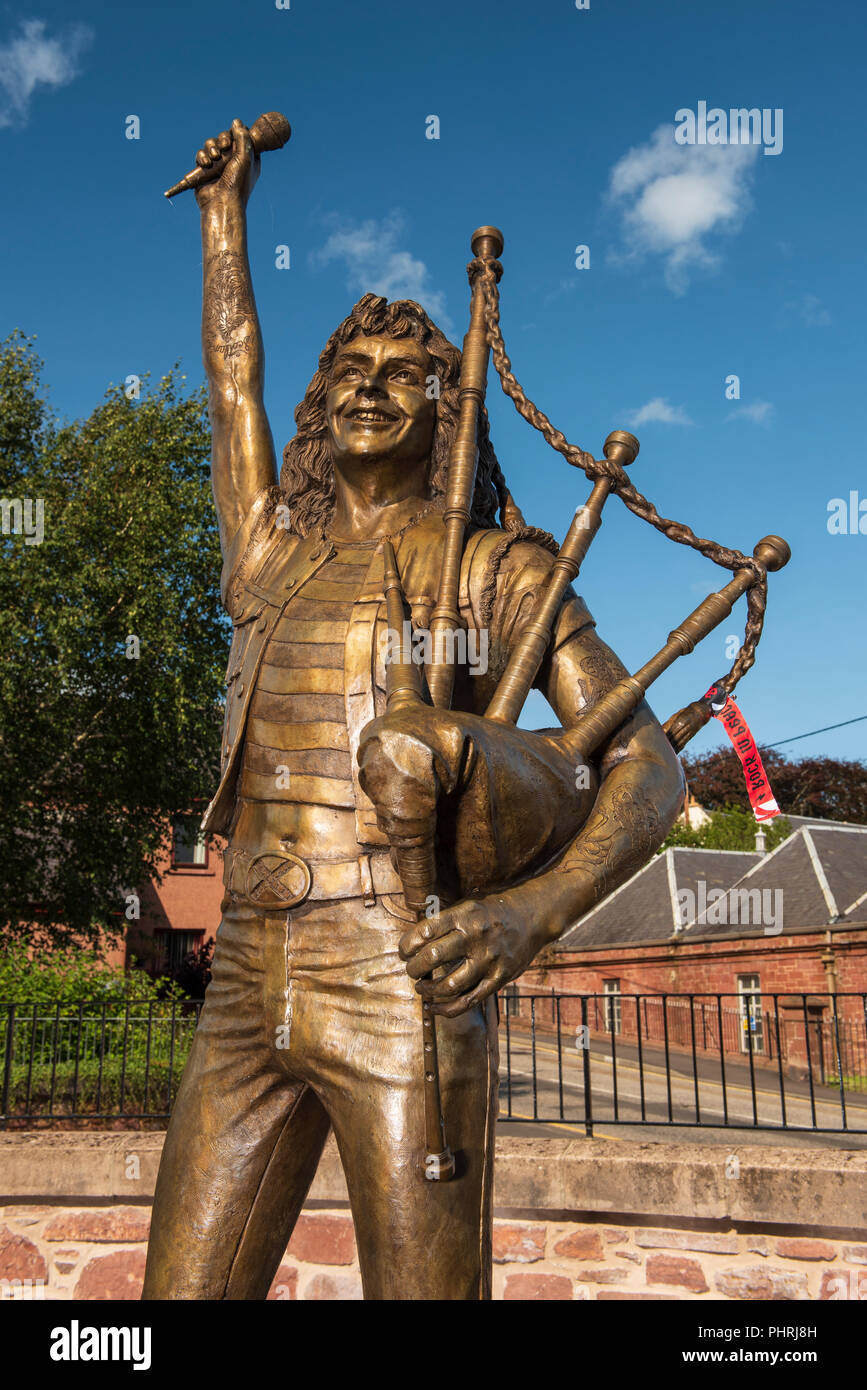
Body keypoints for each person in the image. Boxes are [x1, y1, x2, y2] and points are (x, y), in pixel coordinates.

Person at [142, 119, 684, 1301]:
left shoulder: (497, 572)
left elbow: (648, 772)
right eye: (349, 373)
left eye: (404, 375)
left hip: (402, 973)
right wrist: (223, 218)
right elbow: (232, 371)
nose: (368, 390)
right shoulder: (268, 551)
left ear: (450, 413)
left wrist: (529, 916)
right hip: (244, 969)